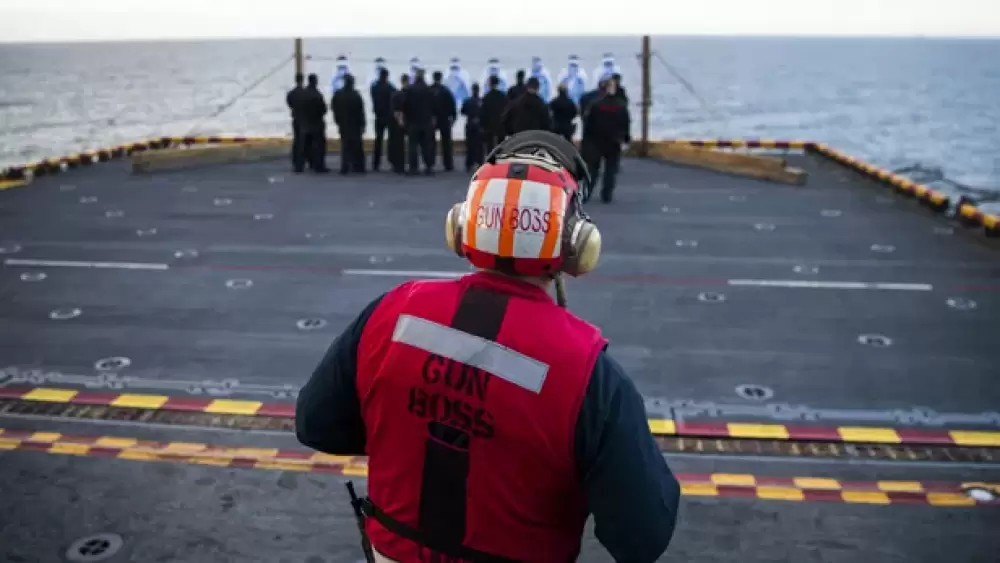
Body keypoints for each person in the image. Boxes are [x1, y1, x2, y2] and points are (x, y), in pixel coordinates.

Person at [296, 130, 680, 563]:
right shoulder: (590, 373)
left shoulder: (391, 313)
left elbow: (316, 425)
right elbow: (643, 535)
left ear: (462, 225)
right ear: (576, 244)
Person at [582, 79, 631, 203]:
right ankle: (606, 194)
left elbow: (588, 124)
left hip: (596, 141)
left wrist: (586, 141)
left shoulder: (596, 104)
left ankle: (587, 192)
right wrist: (625, 138)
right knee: (611, 169)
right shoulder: (620, 106)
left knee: (593, 169)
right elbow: (625, 124)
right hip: (613, 141)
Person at [294, 73, 330, 174]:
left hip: (304, 123)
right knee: (319, 146)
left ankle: (299, 166)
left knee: (303, 146)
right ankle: (319, 165)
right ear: (315, 81)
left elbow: (297, 106)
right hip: (316, 123)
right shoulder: (317, 94)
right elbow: (323, 109)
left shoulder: (302, 94)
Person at [332, 73, 366, 175]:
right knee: (357, 146)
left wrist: (337, 120)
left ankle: (345, 166)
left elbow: (334, 108)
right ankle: (358, 166)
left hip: (343, 123)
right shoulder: (355, 95)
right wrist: (363, 124)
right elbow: (361, 111)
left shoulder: (338, 94)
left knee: (345, 145)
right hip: (355, 124)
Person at [403, 68, 436, 175]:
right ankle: (428, 167)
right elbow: (433, 106)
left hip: (413, 121)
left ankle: (413, 168)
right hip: (426, 122)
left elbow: (406, 105)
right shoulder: (429, 90)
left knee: (412, 146)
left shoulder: (410, 90)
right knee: (426, 145)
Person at [430, 70, 457, 172]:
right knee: (446, 143)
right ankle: (448, 164)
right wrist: (453, 119)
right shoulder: (446, 91)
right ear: (441, 78)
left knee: (431, 142)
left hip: (432, 119)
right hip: (445, 119)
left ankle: (431, 163)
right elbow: (452, 106)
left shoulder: (430, 90)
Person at [370, 68, 397, 172]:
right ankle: (392, 162)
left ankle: (376, 163)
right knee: (391, 140)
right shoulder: (390, 87)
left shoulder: (374, 87)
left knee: (378, 140)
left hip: (378, 116)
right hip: (388, 116)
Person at [460, 82, 484, 172]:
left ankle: (469, 163)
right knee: (479, 145)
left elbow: (463, 112)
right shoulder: (482, 101)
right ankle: (479, 162)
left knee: (470, 145)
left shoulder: (467, 101)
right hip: (479, 125)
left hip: (469, 124)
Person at [480, 75, 508, 154]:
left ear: (489, 83)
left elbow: (483, 112)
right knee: (501, 145)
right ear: (498, 83)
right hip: (501, 124)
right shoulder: (503, 96)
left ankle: (491, 162)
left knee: (490, 145)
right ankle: (501, 161)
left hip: (489, 124)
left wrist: (482, 125)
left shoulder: (486, 97)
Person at [389, 74, 410, 175]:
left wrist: (399, 120)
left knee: (398, 145)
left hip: (398, 123)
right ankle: (411, 165)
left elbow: (395, 110)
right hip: (410, 121)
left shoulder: (396, 94)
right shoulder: (410, 94)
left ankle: (399, 165)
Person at [286, 72, 307, 169]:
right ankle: (301, 161)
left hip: (295, 118)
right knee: (303, 141)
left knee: (296, 140)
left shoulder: (292, 93)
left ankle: (295, 161)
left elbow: (289, 103)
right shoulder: (305, 93)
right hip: (304, 118)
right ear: (302, 80)